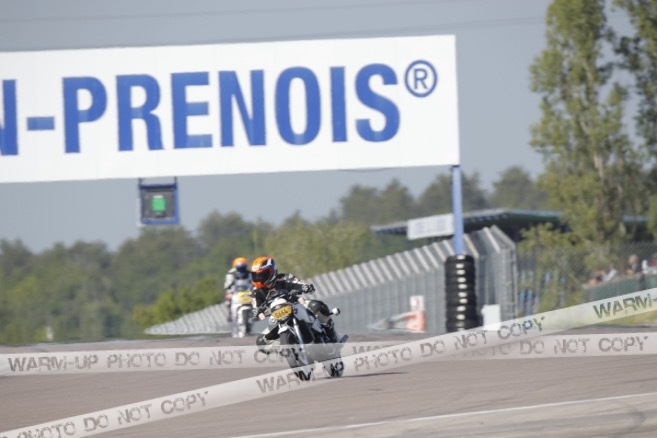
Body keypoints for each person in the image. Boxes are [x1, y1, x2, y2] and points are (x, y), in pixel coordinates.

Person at [249, 256, 344, 351]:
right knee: (261, 342)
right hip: (276, 315)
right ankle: (283, 350)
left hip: (296, 305)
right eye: (256, 275)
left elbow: (298, 284)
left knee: (317, 306)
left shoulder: (285, 278)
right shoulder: (255, 291)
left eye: (262, 275)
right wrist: (256, 312)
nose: (259, 278)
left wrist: (305, 287)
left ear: (272, 271)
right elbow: (255, 306)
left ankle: (333, 337)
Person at [224, 257, 253, 337]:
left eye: (243, 267)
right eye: (239, 267)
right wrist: (228, 290)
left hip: (247, 293)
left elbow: (253, 283)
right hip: (236, 294)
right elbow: (227, 285)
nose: (241, 269)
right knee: (229, 305)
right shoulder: (231, 274)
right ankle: (230, 316)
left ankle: (256, 314)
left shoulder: (249, 274)